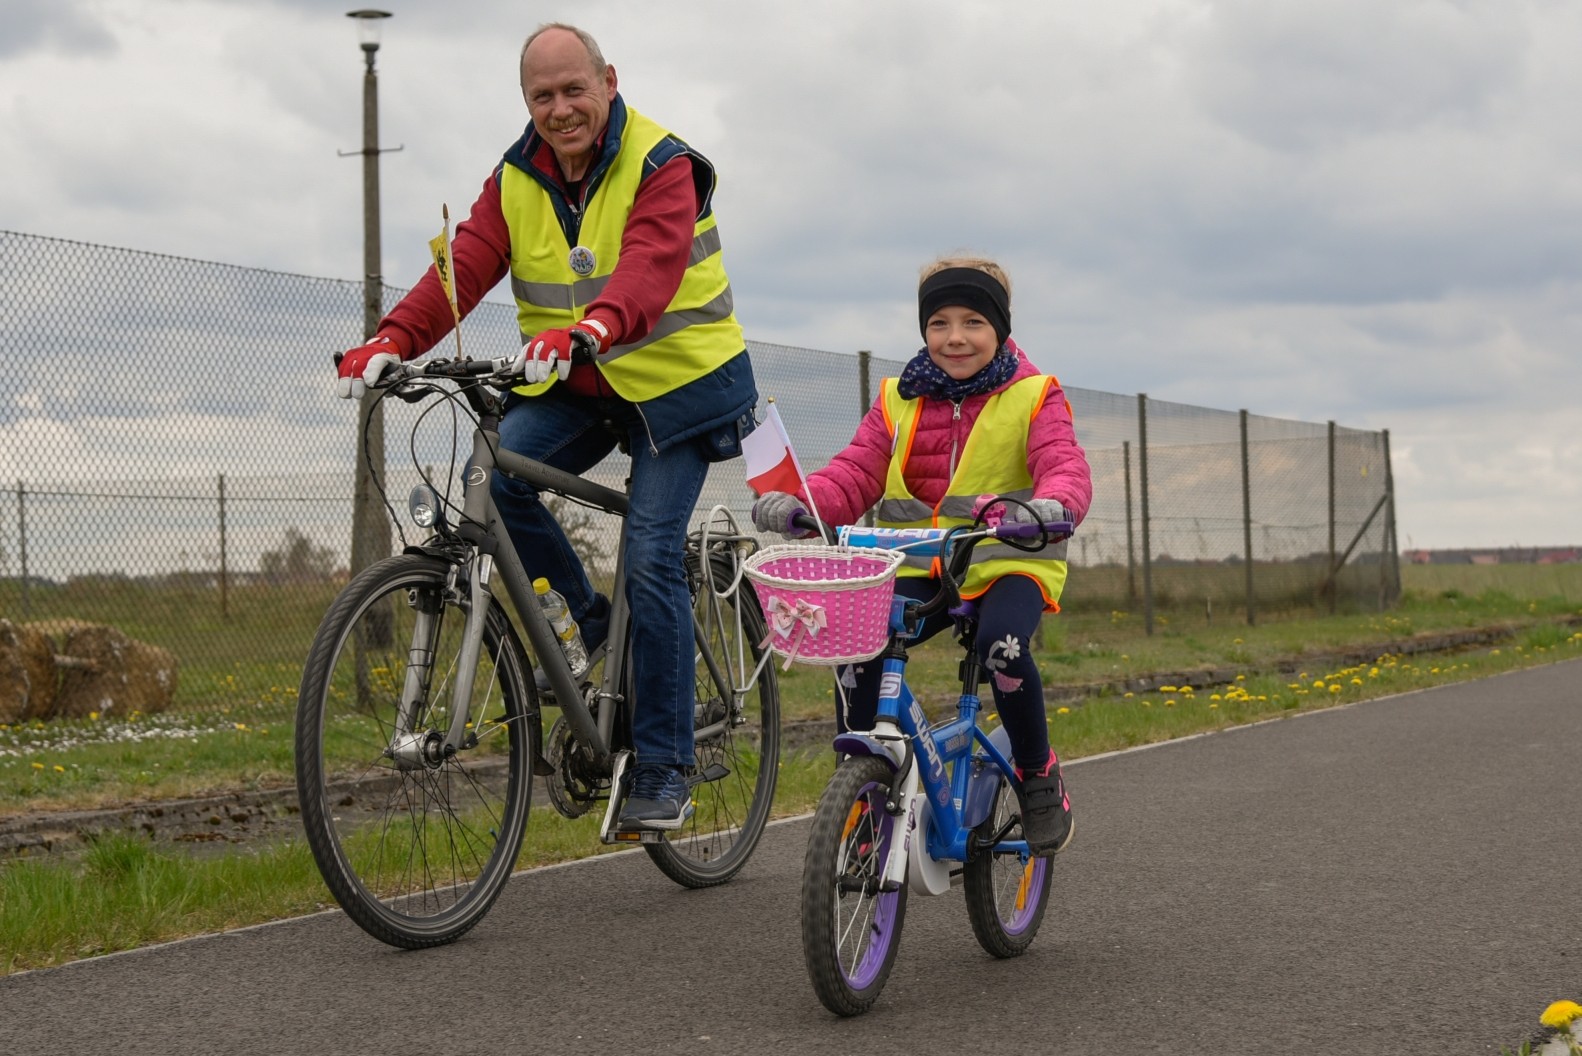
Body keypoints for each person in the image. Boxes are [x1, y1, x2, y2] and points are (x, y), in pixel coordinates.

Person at [335, 23, 757, 830]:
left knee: (650, 555)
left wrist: (593, 326)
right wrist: (393, 339)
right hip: (584, 381)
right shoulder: (516, 177)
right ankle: (595, 635)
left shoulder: (663, 164)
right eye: (542, 96)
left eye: (574, 90)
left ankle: (664, 765)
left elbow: (650, 265)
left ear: (608, 81)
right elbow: (464, 265)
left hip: (680, 386)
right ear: (526, 102)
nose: (560, 109)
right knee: (496, 478)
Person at [752, 257, 1090, 855]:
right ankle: (862, 791)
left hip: (1005, 561)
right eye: (939, 323)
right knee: (859, 649)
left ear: (1000, 328)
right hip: (912, 562)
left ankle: (1038, 773)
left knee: (1003, 647)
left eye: (973, 322)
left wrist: (1050, 506)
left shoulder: (1035, 395)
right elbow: (854, 473)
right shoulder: (896, 399)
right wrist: (804, 503)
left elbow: (1062, 464)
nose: (955, 337)